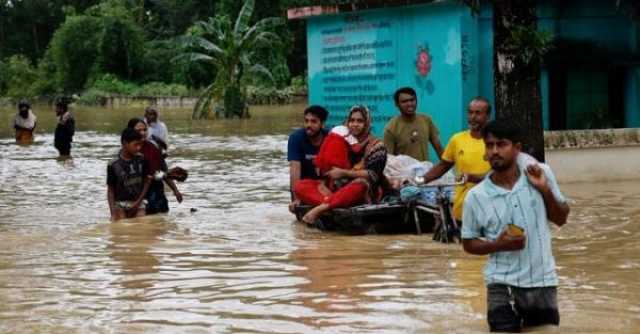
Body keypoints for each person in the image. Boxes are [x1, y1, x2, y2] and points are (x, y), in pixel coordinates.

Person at [461, 120, 570, 332]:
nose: (494, 151)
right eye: (489, 145)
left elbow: (561, 219)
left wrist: (544, 190)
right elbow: (468, 243)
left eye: (501, 144)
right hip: (500, 283)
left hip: (542, 281)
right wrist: (497, 245)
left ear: (517, 148)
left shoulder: (541, 174)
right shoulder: (475, 196)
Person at [295, 105, 388, 224]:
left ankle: (322, 208)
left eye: (360, 121)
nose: (355, 124)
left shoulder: (377, 146)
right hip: (335, 190)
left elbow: (373, 175)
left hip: (362, 191)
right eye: (352, 120)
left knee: (360, 185)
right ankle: (333, 202)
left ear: (367, 123)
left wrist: (344, 173)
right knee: (301, 185)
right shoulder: (341, 140)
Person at [422, 97, 492, 224]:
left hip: (490, 210)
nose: (473, 117)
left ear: (488, 116)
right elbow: (443, 166)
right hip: (462, 210)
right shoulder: (457, 139)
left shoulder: (495, 142)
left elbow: (499, 174)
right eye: (470, 112)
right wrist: (421, 180)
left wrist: (474, 178)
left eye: (478, 113)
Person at [127, 118, 183, 215]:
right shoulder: (127, 152)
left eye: (145, 130)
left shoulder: (153, 148)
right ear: (130, 132)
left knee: (160, 222)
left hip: (156, 194)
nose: (143, 133)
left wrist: (175, 190)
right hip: (137, 196)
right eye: (139, 130)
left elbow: (163, 171)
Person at [383, 87, 443, 162]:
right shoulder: (391, 128)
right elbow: (388, 159)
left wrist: (449, 170)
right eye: (404, 101)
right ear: (397, 104)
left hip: (426, 172)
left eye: (412, 100)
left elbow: (439, 148)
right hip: (402, 173)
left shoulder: (426, 120)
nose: (410, 104)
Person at [287, 105, 329, 212]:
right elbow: (294, 169)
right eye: (306, 121)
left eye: (313, 121)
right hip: (304, 187)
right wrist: (296, 199)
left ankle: (329, 202)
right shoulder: (296, 138)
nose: (308, 125)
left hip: (325, 186)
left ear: (322, 124)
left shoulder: (330, 137)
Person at [107, 128, 152, 221]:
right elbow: (110, 190)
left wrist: (138, 202)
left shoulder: (142, 159)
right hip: (120, 204)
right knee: (121, 228)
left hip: (139, 202)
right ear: (124, 143)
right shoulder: (113, 164)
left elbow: (147, 181)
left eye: (140, 144)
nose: (139, 148)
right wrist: (112, 213)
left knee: (142, 228)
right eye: (135, 145)